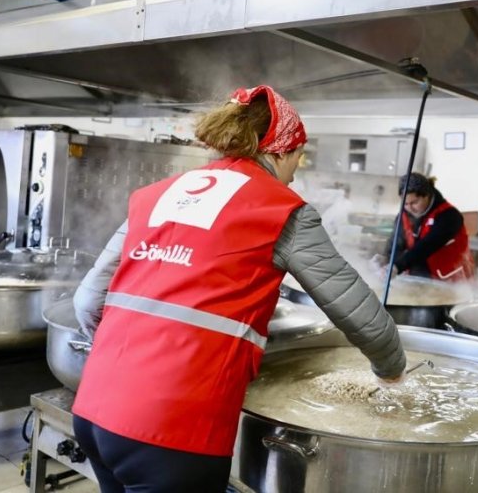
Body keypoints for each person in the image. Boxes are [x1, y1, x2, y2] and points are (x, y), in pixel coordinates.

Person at [71, 85, 406, 493]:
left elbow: (87, 298)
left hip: (93, 411)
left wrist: (123, 364)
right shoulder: (281, 210)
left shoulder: (161, 193)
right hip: (171, 434)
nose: (298, 168)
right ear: (279, 150)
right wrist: (392, 371)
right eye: (299, 154)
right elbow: (362, 317)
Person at [382, 172, 474, 282]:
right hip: (419, 280)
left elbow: (426, 246)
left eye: (414, 202)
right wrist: (387, 258)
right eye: (405, 204)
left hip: (452, 281)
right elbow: (397, 242)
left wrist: (398, 266)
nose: (409, 208)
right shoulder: (404, 216)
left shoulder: (449, 216)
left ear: (427, 195)